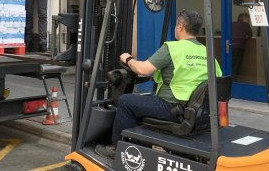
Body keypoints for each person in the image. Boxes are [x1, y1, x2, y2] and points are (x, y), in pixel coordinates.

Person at [95, 10, 222, 158]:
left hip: (172, 108)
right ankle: (139, 141)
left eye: (176, 25)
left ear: (180, 26)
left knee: (126, 101)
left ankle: (117, 148)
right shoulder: (207, 52)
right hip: (195, 110)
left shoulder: (173, 48)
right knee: (144, 99)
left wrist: (127, 58)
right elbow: (216, 79)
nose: (175, 28)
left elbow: (142, 69)